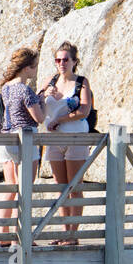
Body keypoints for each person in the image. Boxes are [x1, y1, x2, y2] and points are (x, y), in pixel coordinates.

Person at [40, 40, 94, 245]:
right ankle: (64, 231)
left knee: (75, 185)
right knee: (60, 186)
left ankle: (73, 233)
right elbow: (34, 101)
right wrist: (45, 94)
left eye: (65, 59)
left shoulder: (81, 82)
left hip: (75, 136)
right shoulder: (51, 80)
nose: (61, 63)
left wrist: (60, 120)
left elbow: (84, 110)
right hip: (54, 139)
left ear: (74, 61)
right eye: (58, 60)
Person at [0, 47, 48, 246]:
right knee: (25, 188)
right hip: (24, 138)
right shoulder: (25, 90)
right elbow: (39, 118)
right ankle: (22, 234)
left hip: (6, 138)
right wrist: (42, 101)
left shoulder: (6, 87)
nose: (35, 71)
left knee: (10, 188)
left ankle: (3, 234)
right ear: (27, 68)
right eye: (34, 67)